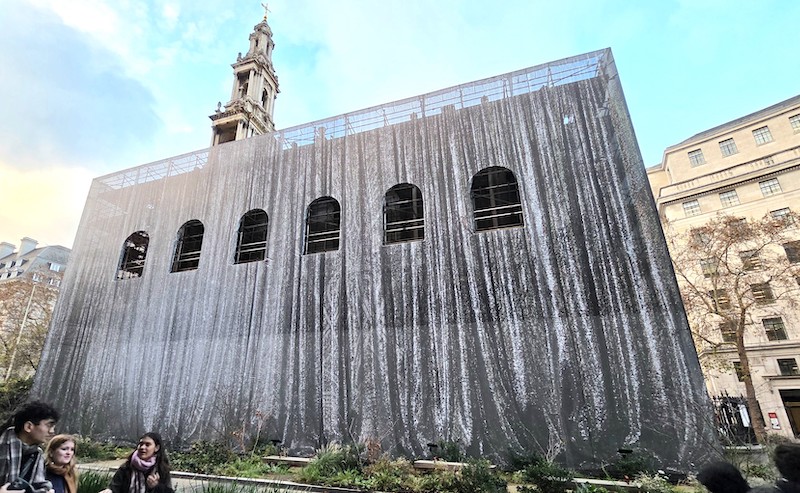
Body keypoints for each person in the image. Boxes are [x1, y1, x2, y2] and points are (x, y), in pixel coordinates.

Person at [0, 401, 60, 493]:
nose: (52, 431)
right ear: (28, 426)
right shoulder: (2, 447)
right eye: (49, 426)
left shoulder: (37, 455)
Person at [101, 433, 172, 493]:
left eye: (147, 445)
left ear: (156, 448)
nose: (142, 447)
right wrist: (109, 491)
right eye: (141, 444)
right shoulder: (126, 468)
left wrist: (156, 487)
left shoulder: (161, 469)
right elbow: (114, 487)